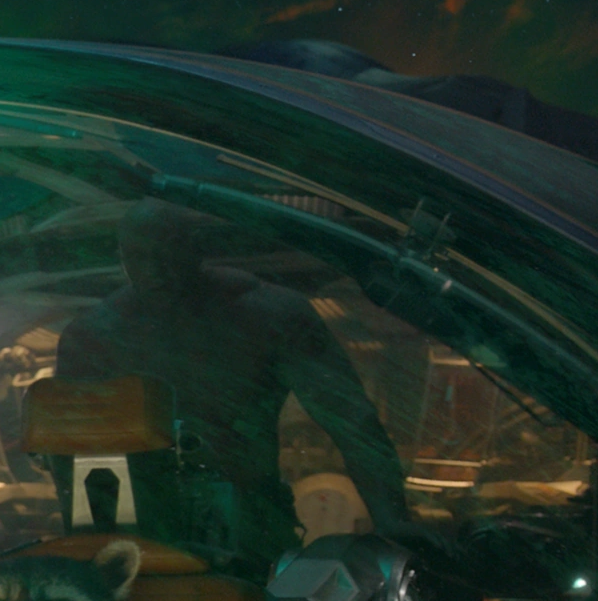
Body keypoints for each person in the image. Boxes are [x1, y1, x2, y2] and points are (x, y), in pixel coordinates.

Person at [55, 199, 413, 579]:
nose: (155, 270)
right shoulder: (94, 336)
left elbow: (352, 422)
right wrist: (89, 552)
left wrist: (392, 520)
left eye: (166, 253)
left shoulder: (270, 315)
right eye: (140, 256)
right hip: (139, 548)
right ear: (123, 258)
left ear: (195, 249)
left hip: (248, 534)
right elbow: (69, 457)